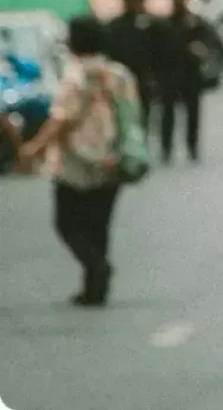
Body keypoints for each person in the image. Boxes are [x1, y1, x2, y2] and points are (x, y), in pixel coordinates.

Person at [17, 16, 136, 307]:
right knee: (99, 223)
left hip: (76, 160)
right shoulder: (118, 74)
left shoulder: (76, 76)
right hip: (113, 156)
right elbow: (133, 112)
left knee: (67, 223)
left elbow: (61, 120)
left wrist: (33, 148)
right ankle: (95, 285)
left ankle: (95, 268)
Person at [157, 0, 212, 164]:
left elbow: (208, 40)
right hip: (170, 73)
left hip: (191, 74)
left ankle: (192, 146)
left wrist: (201, 49)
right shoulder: (165, 24)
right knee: (168, 114)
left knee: (192, 114)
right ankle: (166, 148)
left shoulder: (195, 23)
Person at [105, 0, 160, 128]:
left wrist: (154, 76)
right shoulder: (115, 25)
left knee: (142, 118)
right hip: (120, 77)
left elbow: (158, 52)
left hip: (143, 78)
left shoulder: (152, 24)